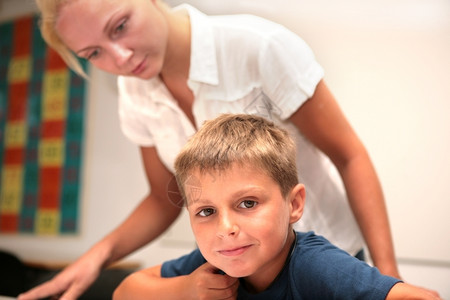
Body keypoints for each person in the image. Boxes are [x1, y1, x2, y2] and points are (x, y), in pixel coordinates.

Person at [19, 0, 405, 299]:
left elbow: (348, 156)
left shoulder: (258, 47)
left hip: (324, 259)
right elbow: (163, 197)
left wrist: (387, 277)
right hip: (243, 264)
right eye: (94, 54)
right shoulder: (134, 92)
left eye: (120, 26)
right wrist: (97, 257)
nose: (120, 58)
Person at [112, 113, 439, 300]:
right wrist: (185, 289)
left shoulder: (315, 267)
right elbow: (124, 292)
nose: (225, 228)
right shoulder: (217, 260)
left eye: (248, 203)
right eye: (206, 211)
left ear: (294, 204)